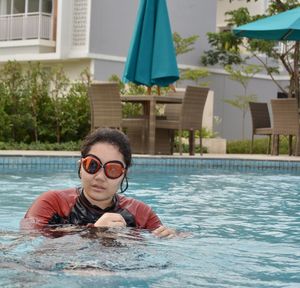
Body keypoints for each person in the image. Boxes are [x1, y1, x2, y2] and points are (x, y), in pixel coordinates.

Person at [21, 128, 175, 238]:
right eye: (92, 165)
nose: (100, 177)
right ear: (80, 166)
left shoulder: (141, 213)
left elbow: (172, 243)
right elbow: (27, 242)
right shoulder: (53, 203)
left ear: (124, 174)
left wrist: (171, 236)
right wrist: (93, 232)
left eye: (112, 169)